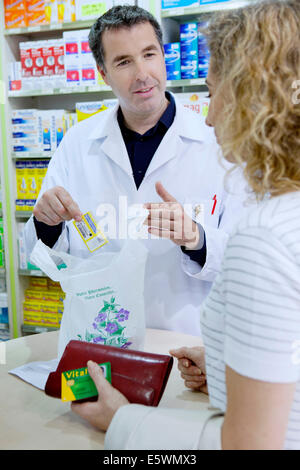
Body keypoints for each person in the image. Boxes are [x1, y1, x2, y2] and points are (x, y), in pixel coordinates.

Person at [71, 0, 300, 450]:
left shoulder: (265, 234)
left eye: (215, 93)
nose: (209, 115)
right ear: (103, 72)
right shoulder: (287, 214)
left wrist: (121, 420)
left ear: (254, 97)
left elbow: (250, 444)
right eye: (122, 60)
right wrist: (225, 366)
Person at [23, 5, 247, 337]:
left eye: (149, 54)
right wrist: (45, 222)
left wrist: (197, 238)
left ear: (163, 56)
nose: (142, 73)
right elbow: (44, 257)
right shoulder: (77, 143)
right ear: (103, 72)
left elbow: (245, 260)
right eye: (124, 62)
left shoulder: (218, 142)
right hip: (99, 338)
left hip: (186, 342)